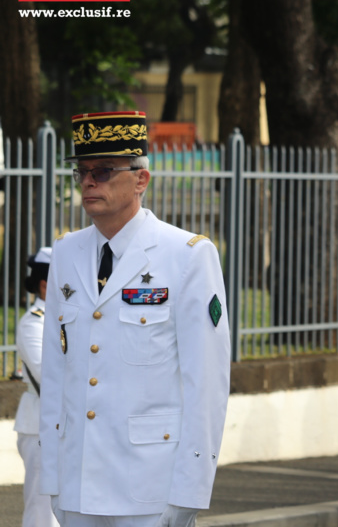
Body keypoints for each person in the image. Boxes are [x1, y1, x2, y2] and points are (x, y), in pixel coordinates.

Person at [40, 111, 231, 527]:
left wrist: (190, 490)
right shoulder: (67, 254)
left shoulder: (187, 255)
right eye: (82, 172)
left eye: (104, 171)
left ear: (141, 180)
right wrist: (52, 479)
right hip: (77, 484)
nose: (89, 182)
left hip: (151, 487)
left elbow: (208, 383)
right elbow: (56, 374)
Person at [15, 247, 60, 527]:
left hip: (68, 424)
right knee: (42, 512)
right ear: (45, 285)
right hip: (40, 425)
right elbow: (49, 376)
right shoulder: (34, 323)